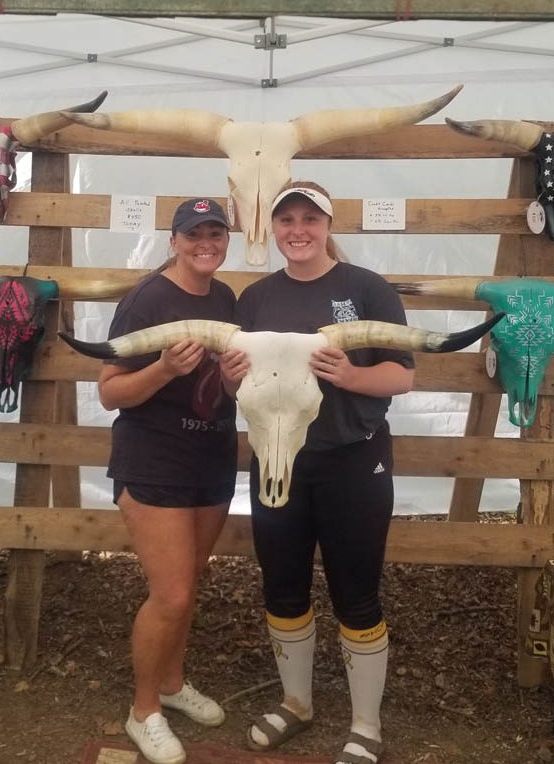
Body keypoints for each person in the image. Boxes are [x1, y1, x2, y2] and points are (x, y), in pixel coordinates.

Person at [222, 181, 415, 764]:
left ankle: (365, 724)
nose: (297, 230)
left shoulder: (366, 288)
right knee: (282, 586)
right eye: (286, 220)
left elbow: (402, 375)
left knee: (356, 593)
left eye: (310, 218)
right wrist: (230, 377)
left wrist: (350, 376)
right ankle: (296, 703)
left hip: (354, 458)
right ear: (272, 228)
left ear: (329, 224)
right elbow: (240, 384)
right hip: (276, 460)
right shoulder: (254, 298)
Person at [99, 198, 238, 764]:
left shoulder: (226, 298)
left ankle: (174, 684)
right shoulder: (148, 298)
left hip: (211, 458)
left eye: (215, 232)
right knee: (172, 592)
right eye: (194, 234)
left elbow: (227, 384)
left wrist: (233, 378)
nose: (205, 243)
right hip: (154, 461)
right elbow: (110, 391)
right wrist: (163, 368)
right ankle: (143, 710)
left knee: (190, 583)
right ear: (174, 240)